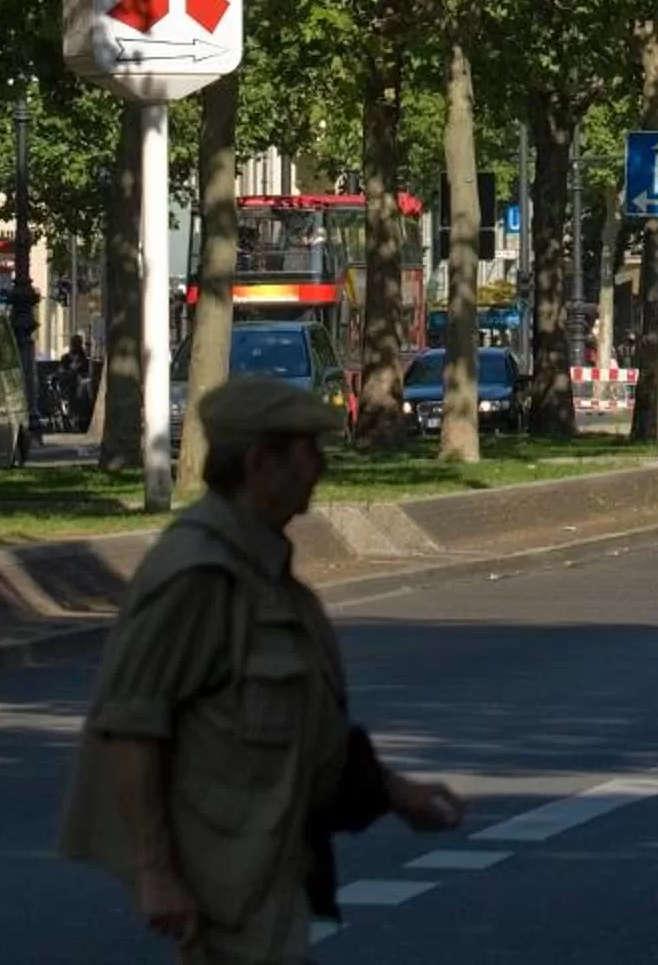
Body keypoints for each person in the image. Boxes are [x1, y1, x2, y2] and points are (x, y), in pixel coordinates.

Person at [62, 374, 462, 960]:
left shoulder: (261, 568)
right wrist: (157, 872)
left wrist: (395, 794)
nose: (320, 469)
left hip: (267, 865)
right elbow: (132, 727)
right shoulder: (198, 576)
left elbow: (304, 730)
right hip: (222, 874)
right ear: (259, 463)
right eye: (308, 453)